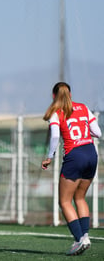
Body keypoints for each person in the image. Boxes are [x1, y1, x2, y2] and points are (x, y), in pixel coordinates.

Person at [41, 82, 101, 256]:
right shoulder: (83, 107)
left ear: (54, 96)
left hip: (75, 155)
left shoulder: (56, 113)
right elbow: (98, 133)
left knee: (65, 201)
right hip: (91, 153)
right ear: (70, 94)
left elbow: (55, 136)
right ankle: (85, 236)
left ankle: (79, 239)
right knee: (80, 197)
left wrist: (49, 157)